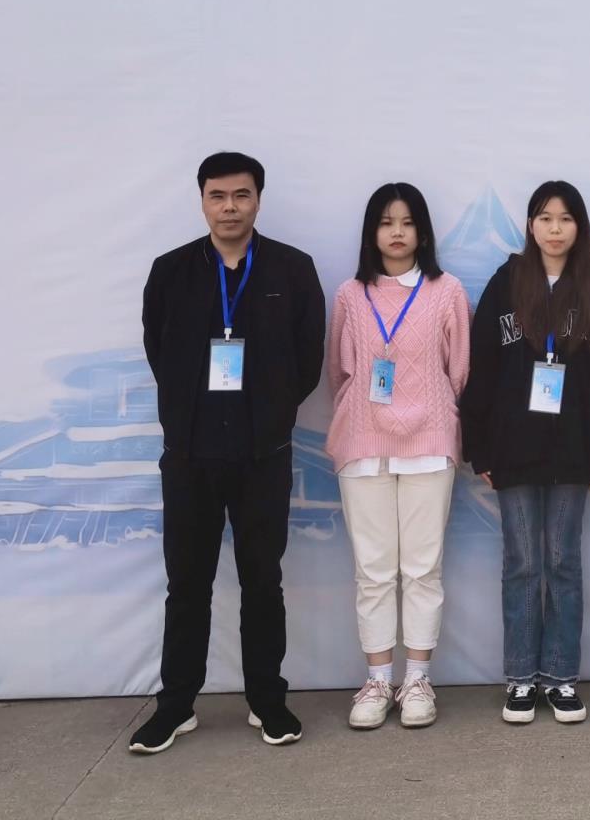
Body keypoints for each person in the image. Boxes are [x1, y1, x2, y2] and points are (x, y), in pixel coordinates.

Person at [130, 152, 326, 755]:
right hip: (190, 455)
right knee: (186, 585)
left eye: (241, 195)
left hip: (262, 453)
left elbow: (308, 359)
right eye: (218, 196)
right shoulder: (171, 271)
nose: (230, 208)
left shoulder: (292, 269)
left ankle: (267, 701)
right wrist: (188, 415)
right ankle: (176, 705)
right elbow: (159, 350)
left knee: (262, 582)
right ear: (202, 201)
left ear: (258, 200)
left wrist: (269, 413)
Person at [459, 181, 590, 725]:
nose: (555, 229)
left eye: (566, 218)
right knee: (523, 563)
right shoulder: (505, 285)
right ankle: (521, 677)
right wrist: (480, 449)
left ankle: (561, 676)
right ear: (530, 225)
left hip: (574, 452)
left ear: (580, 227)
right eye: (545, 218)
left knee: (563, 562)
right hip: (514, 450)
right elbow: (482, 368)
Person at [325, 183, 471, 731]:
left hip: (430, 443)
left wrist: (431, 407)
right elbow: (340, 371)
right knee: (374, 570)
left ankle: (417, 680)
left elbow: (459, 370)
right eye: (386, 222)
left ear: (423, 232)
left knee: (423, 568)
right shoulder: (350, 295)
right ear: (371, 233)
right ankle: (378, 680)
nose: (397, 232)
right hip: (363, 444)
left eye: (407, 222)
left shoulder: (446, 291)